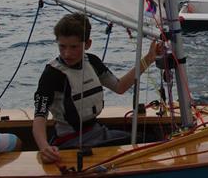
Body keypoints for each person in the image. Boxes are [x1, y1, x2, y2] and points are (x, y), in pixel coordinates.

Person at [33, 13, 161, 163]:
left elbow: (119, 87)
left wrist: (149, 59)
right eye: (62, 46)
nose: (67, 53)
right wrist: (44, 147)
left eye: (74, 47)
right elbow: (39, 116)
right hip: (69, 142)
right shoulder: (52, 74)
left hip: (98, 133)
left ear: (87, 44)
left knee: (152, 140)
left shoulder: (92, 62)